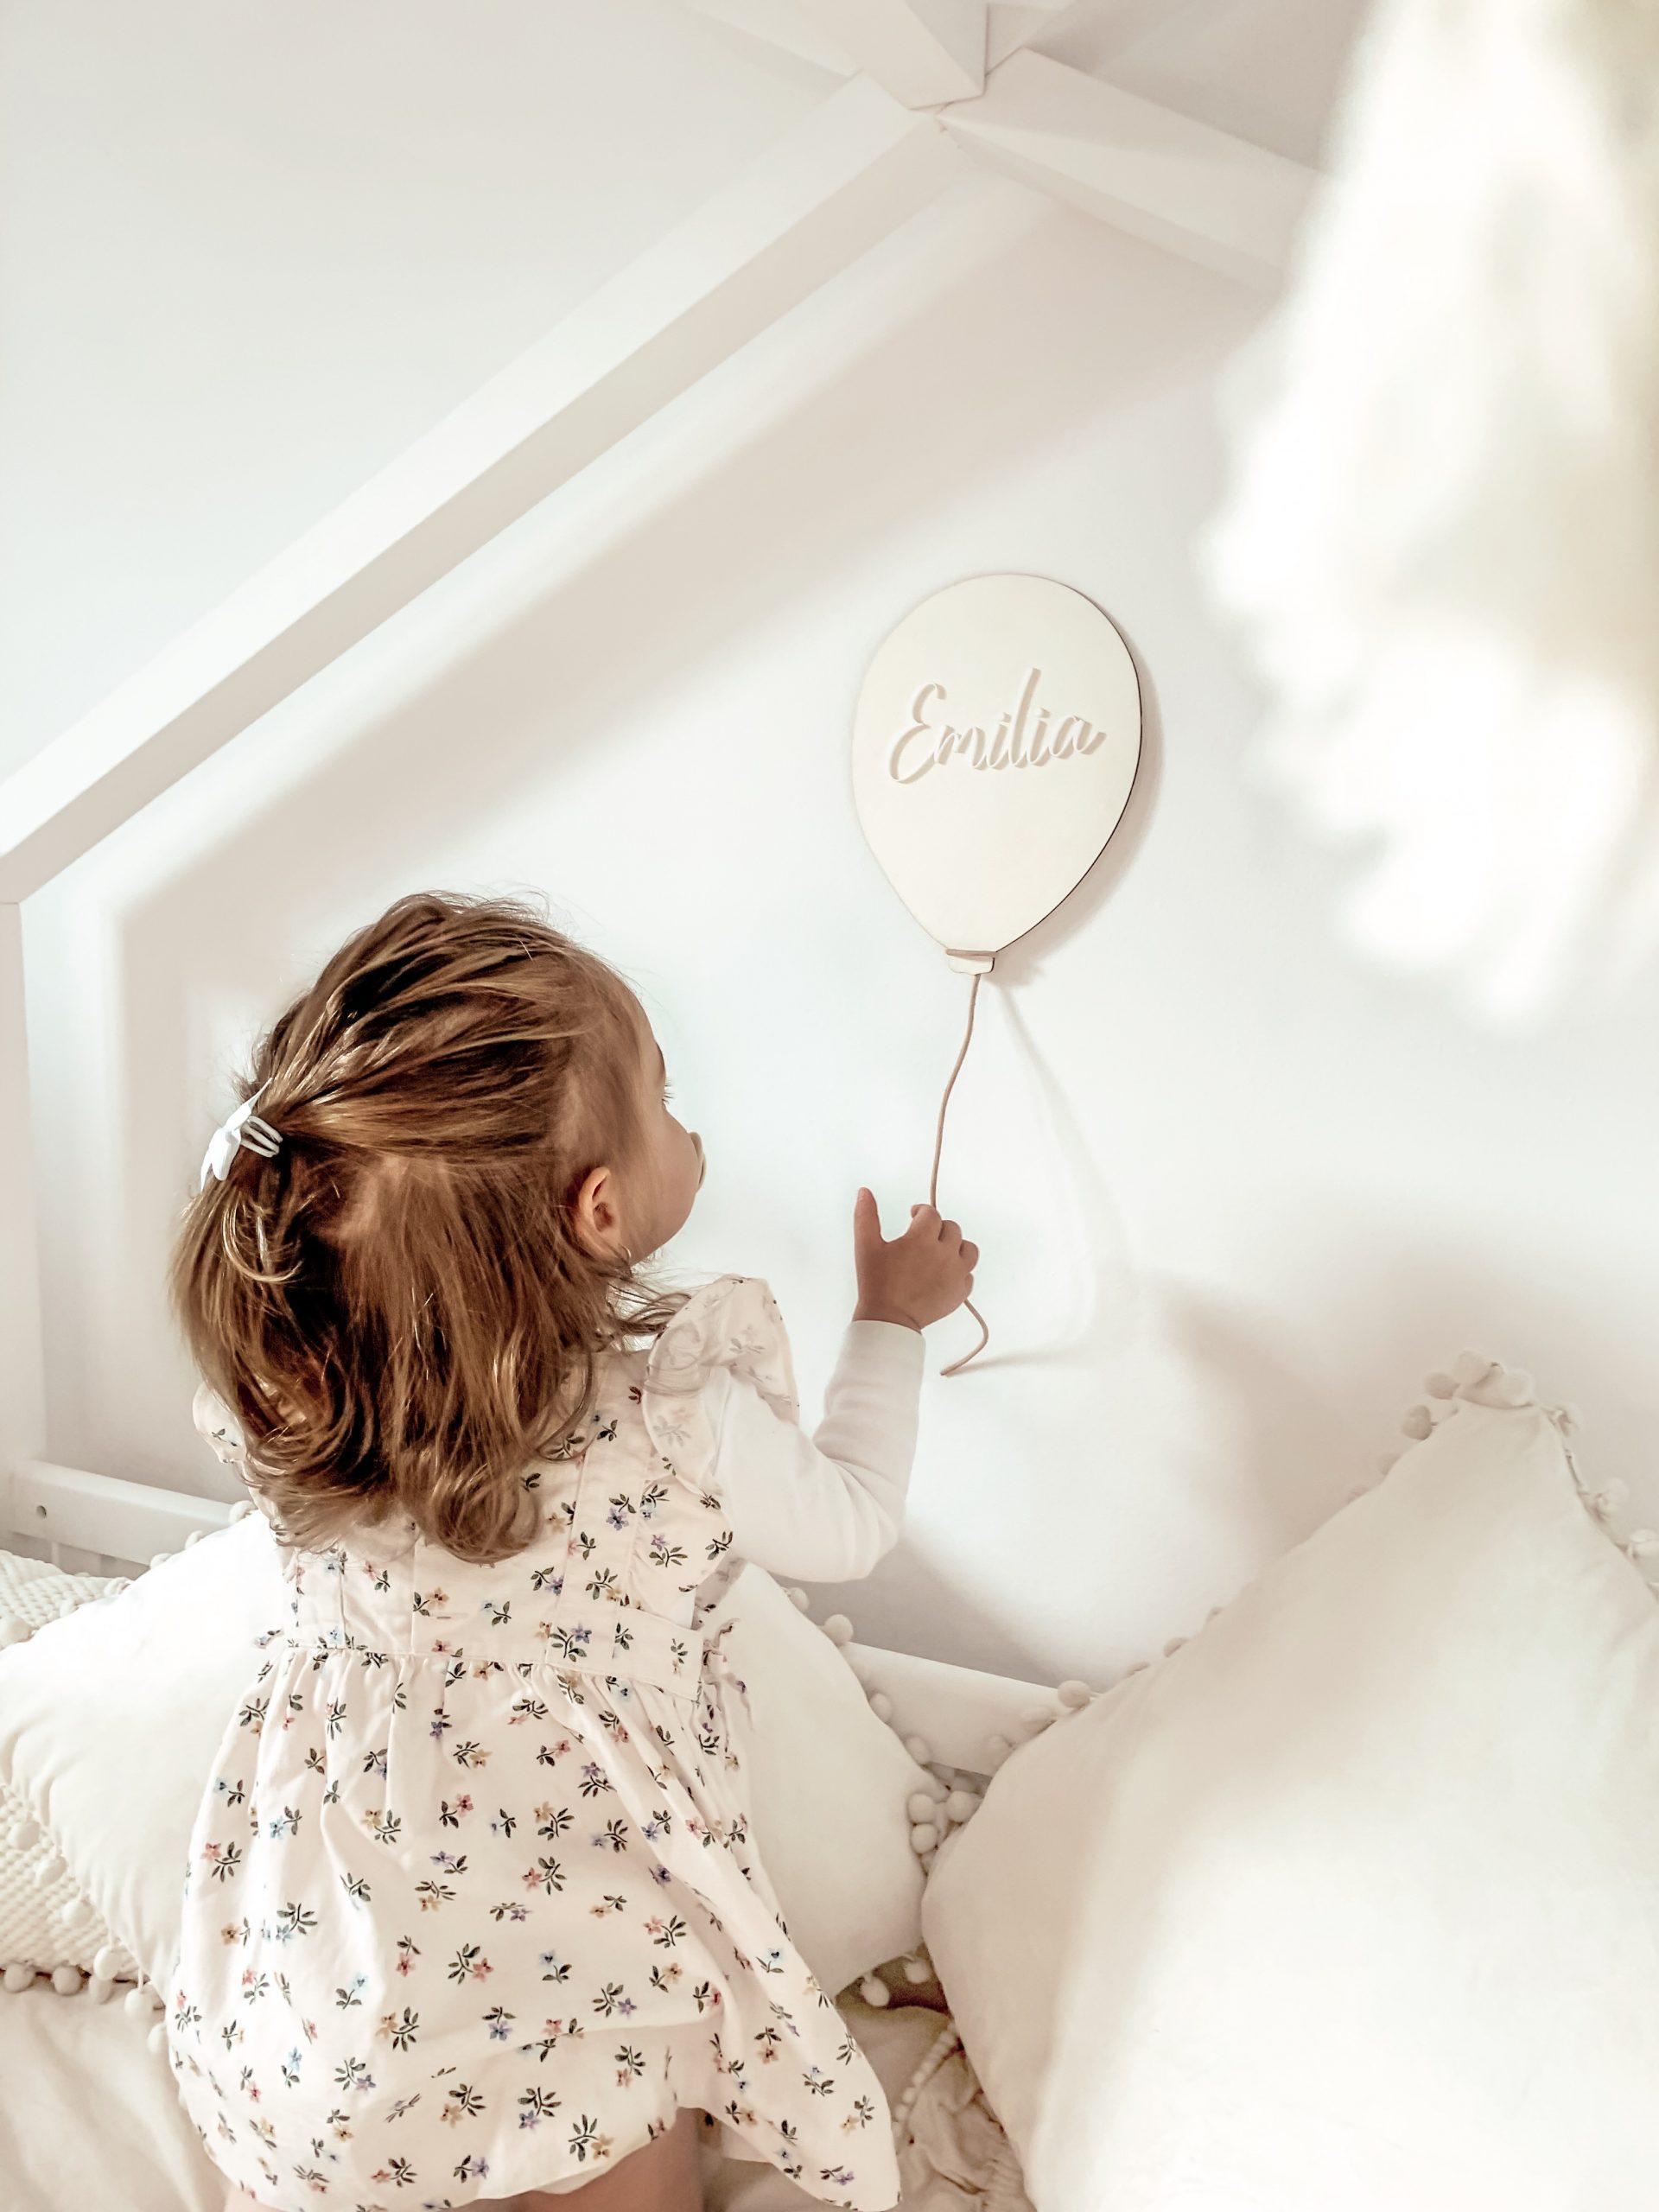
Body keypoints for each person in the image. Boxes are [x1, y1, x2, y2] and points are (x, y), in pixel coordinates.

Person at [166, 890, 977, 2212]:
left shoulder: (300, 1417)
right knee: (621, 2136)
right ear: (599, 1212)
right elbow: (852, 1525)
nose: (688, 1123)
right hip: (581, 1960)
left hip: (330, 1984)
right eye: (666, 1099)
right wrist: (891, 1323)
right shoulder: (675, 1426)